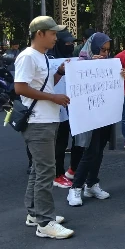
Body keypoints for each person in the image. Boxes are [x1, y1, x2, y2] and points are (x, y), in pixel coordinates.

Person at [14, 16, 73, 239]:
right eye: (52, 33)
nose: (56, 38)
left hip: (47, 119)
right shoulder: (28, 56)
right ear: (40, 34)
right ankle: (45, 223)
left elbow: (44, 85)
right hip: (37, 122)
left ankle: (34, 214)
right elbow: (20, 88)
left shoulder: (43, 57)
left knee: (40, 169)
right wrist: (54, 98)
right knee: (47, 170)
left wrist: (59, 73)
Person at [67, 33, 125, 207]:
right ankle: (75, 187)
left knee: (99, 149)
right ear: (93, 47)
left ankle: (91, 184)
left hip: (104, 114)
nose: (105, 53)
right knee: (90, 151)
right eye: (102, 49)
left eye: (107, 50)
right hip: (88, 116)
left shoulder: (109, 64)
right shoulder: (79, 63)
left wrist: (120, 76)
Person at [45, 29, 76, 189]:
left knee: (74, 140)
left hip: (72, 105)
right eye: (67, 43)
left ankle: (71, 170)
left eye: (72, 43)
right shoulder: (48, 60)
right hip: (55, 107)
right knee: (59, 142)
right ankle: (57, 174)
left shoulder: (74, 60)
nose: (70, 46)